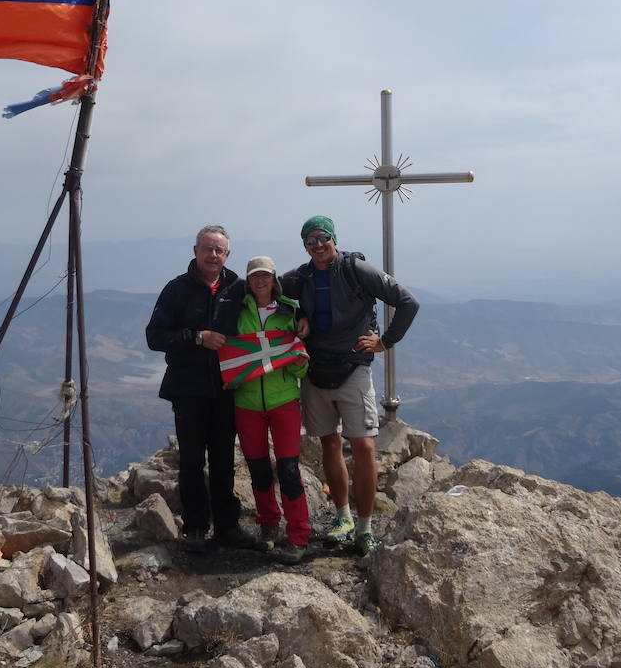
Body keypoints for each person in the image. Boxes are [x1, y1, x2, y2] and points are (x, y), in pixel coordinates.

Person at [281, 215, 420, 556]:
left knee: (364, 446)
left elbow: (407, 301)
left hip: (353, 366)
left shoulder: (356, 269)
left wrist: (384, 342)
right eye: (310, 240)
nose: (318, 245)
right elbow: (267, 293)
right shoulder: (300, 277)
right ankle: (343, 517)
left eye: (323, 238)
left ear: (334, 238)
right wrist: (295, 316)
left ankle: (365, 526)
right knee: (329, 443)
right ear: (304, 245)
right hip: (315, 368)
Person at [145, 225, 262, 553]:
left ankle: (227, 527)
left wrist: (299, 318)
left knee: (224, 459)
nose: (213, 255)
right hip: (188, 389)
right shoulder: (177, 289)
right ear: (195, 251)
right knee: (191, 460)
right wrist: (197, 337)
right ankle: (195, 527)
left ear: (227, 254)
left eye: (219, 250)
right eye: (207, 248)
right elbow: (155, 336)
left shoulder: (239, 288)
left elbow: (270, 305)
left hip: (228, 389)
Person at [229, 255, 311, 565]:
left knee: (289, 469)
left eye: (265, 275)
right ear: (248, 281)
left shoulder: (291, 311)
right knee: (259, 469)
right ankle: (268, 524)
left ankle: (299, 535)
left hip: (283, 400)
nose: (260, 280)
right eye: (254, 276)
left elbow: (299, 361)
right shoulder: (237, 311)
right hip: (247, 402)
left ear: (274, 279)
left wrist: (300, 364)